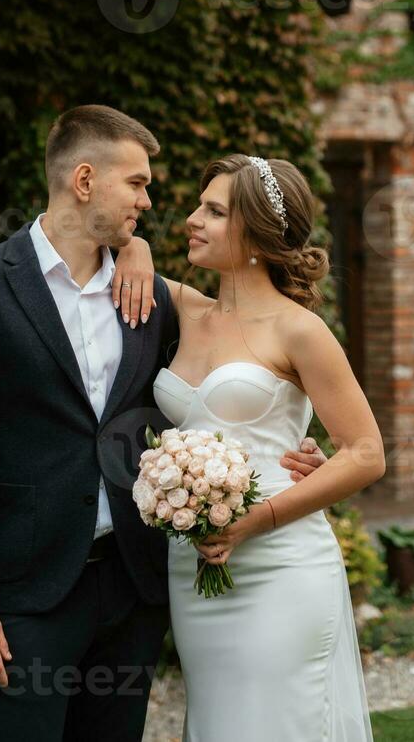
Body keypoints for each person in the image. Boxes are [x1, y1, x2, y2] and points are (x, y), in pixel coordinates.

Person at [0, 105, 328, 740]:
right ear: (84, 181)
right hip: (21, 599)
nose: (150, 202)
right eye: (137, 184)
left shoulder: (153, 298)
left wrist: (292, 454)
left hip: (132, 591)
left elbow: (216, 391)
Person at [151, 153, 382, 740]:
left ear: (255, 233)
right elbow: (124, 257)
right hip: (193, 561)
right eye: (198, 205)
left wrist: (256, 520)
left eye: (214, 211)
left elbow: (365, 453)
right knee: (218, 721)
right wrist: (131, 251)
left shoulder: (298, 330)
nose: (191, 220)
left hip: (280, 563)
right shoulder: (186, 310)